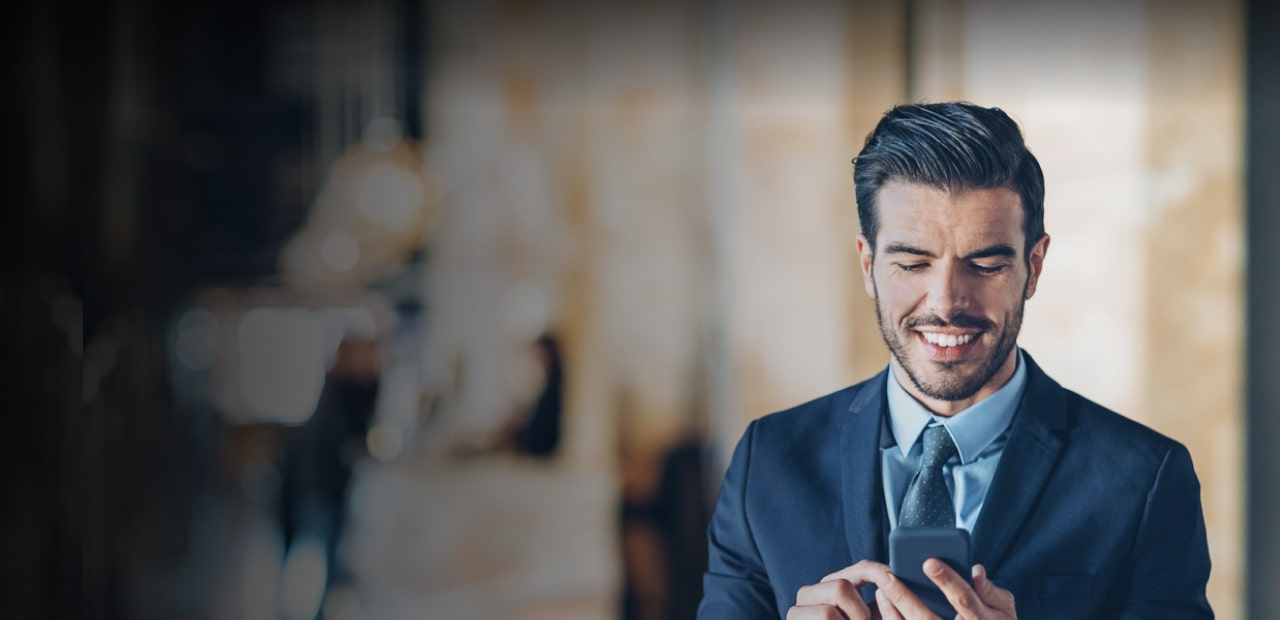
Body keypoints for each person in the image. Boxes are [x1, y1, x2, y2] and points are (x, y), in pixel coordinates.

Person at [697, 102, 1213, 619]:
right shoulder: (766, 463)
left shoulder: (1144, 480)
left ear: (1033, 267)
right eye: (913, 263)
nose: (945, 303)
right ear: (868, 264)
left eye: (985, 265)